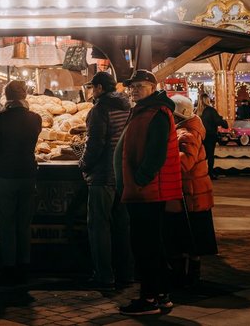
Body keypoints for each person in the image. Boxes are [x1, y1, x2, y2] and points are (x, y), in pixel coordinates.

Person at [113, 70, 182, 316]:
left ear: (153, 87)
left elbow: (156, 153)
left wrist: (140, 179)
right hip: (142, 190)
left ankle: (149, 298)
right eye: (132, 86)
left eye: (140, 86)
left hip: (147, 191)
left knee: (145, 246)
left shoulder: (157, 113)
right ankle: (160, 295)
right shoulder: (143, 110)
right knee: (152, 245)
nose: (134, 90)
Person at [0, 80, 41, 284]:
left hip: (5, 175)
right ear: (24, 96)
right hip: (28, 173)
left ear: (6, 97)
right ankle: (25, 264)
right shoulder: (35, 118)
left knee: (7, 222)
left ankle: (9, 267)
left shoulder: (0, 118)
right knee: (24, 223)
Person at [78, 71, 131, 291]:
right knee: (122, 227)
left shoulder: (99, 110)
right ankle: (126, 273)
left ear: (99, 88)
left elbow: (95, 145)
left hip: (102, 176)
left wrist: (83, 164)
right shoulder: (127, 107)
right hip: (122, 175)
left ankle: (104, 275)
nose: (91, 91)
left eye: (92, 87)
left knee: (99, 227)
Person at [164, 95, 217, 289]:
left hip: (190, 196)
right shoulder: (187, 131)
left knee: (186, 239)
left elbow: (184, 163)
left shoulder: (185, 134)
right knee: (189, 240)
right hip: (192, 194)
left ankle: (186, 279)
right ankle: (188, 277)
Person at [197, 93, 227, 179]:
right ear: (207, 100)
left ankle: (200, 172)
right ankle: (210, 173)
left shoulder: (197, 111)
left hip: (200, 136)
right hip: (210, 136)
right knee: (210, 155)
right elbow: (218, 121)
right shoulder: (210, 110)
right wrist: (224, 123)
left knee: (203, 155)